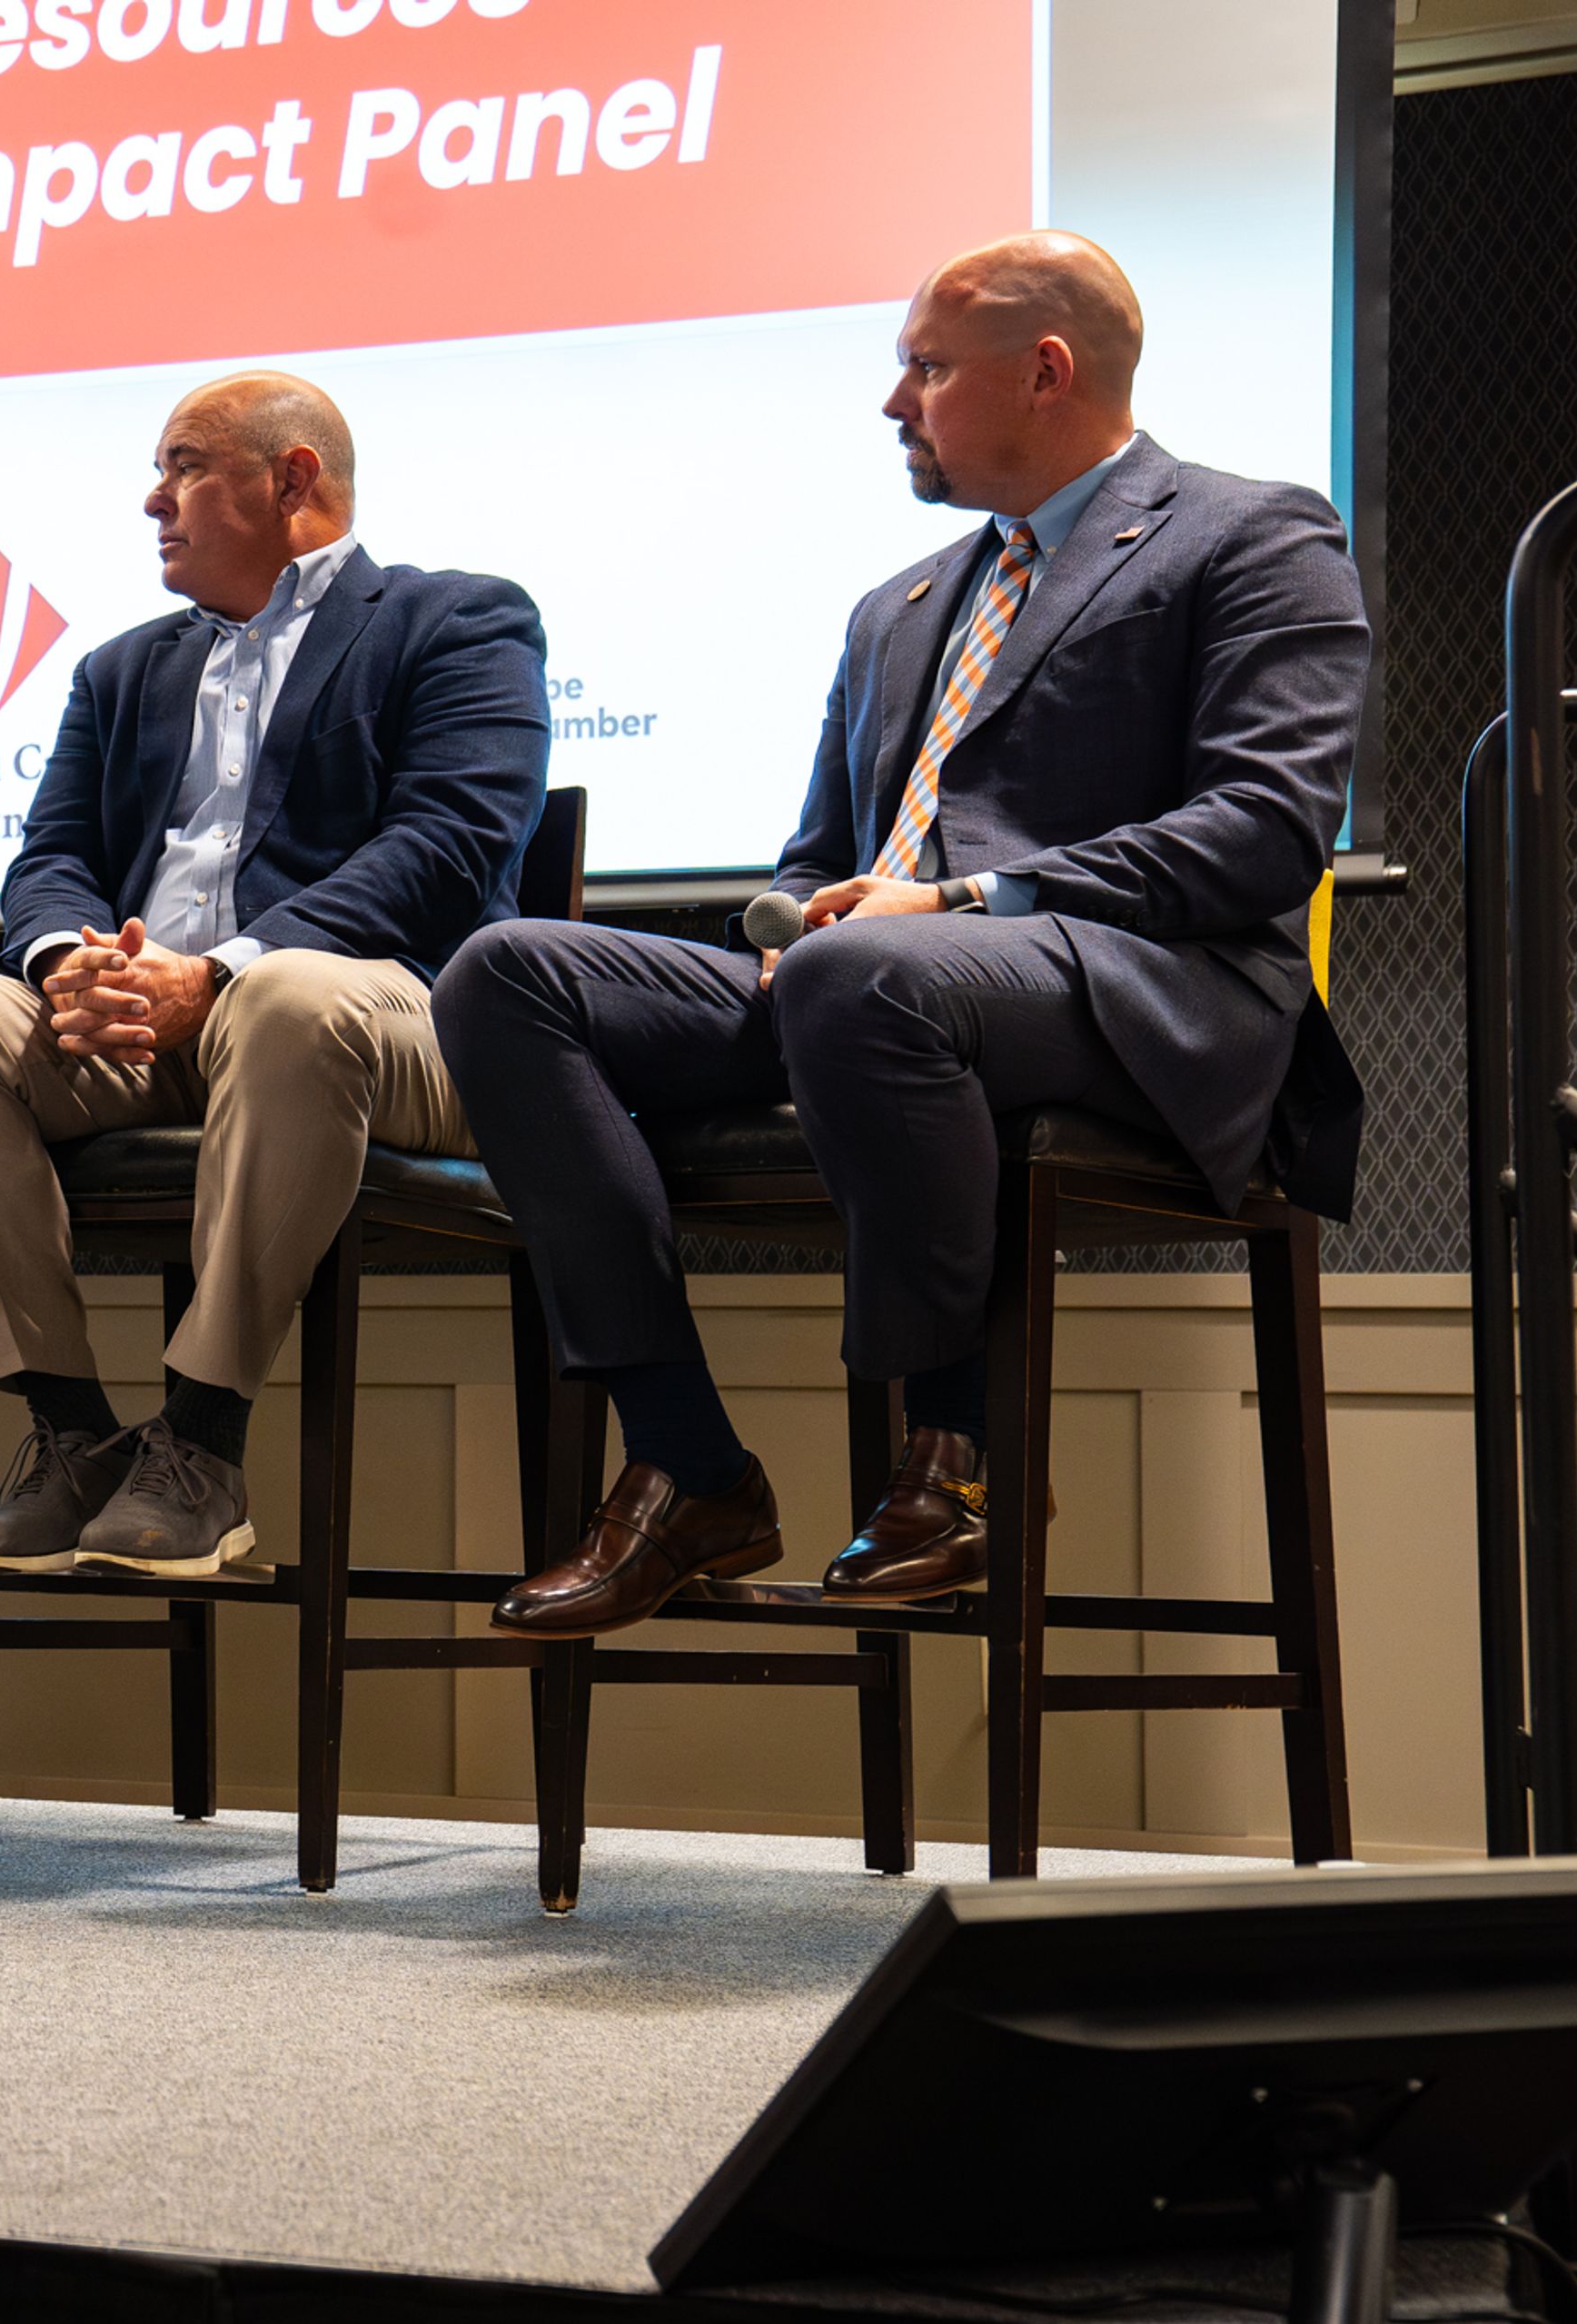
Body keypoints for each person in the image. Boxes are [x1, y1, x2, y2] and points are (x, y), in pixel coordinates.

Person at [445, 232, 1368, 1638]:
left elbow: (1264, 827)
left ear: (1045, 371)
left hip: (1139, 985)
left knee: (869, 968)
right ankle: (691, 1464)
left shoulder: (1250, 531)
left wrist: (950, 904)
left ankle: (960, 1460)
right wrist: (791, 917)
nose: (896, 405)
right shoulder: (900, 604)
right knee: (510, 971)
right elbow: (825, 854)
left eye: (925, 370)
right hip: (870, 984)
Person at [0, 372, 550, 1579]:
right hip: (145, 1026)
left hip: (381, 1022)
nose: (152, 499)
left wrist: (221, 972)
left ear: (291, 479)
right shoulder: (123, 668)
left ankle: (202, 1440)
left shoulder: (458, 621)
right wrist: (71, 960)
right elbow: (55, 855)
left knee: (287, 998)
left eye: (182, 465)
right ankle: (74, 1432)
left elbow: (447, 848)